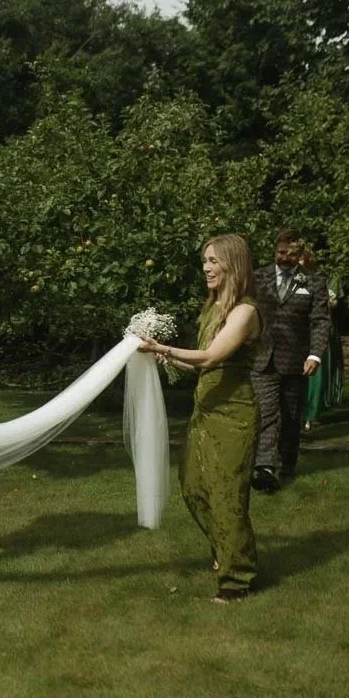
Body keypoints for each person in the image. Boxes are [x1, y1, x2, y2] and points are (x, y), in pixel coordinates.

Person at [139, 234, 262, 603]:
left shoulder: (245, 311)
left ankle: (236, 579)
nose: (206, 268)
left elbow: (211, 357)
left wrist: (162, 346)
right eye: (205, 261)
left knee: (227, 495)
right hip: (204, 411)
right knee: (193, 486)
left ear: (232, 264)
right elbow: (200, 365)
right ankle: (228, 552)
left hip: (234, 415)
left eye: (213, 261)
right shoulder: (210, 309)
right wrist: (165, 358)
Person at [249, 229, 330, 492]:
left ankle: (287, 462)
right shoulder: (257, 277)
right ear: (275, 250)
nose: (284, 257)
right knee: (267, 412)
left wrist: (315, 354)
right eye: (281, 252)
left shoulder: (314, 281)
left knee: (292, 416)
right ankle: (265, 467)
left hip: (296, 360)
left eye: (291, 253)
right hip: (262, 358)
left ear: (300, 254)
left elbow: (319, 321)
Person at [299, 247, 344, 433]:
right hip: (299, 331)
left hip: (320, 330)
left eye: (302, 256)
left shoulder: (328, 277)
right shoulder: (290, 277)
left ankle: (311, 414)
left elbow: (333, 302)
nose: (299, 261)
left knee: (317, 375)